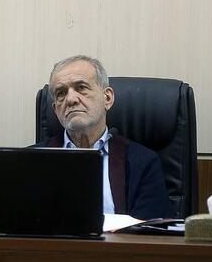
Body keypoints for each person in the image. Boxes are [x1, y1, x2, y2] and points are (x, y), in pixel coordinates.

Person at [39, 55, 171, 219]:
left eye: (81, 87)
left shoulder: (144, 163)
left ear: (107, 98)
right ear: (55, 109)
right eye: (61, 93)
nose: (71, 99)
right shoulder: (32, 162)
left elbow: (149, 230)